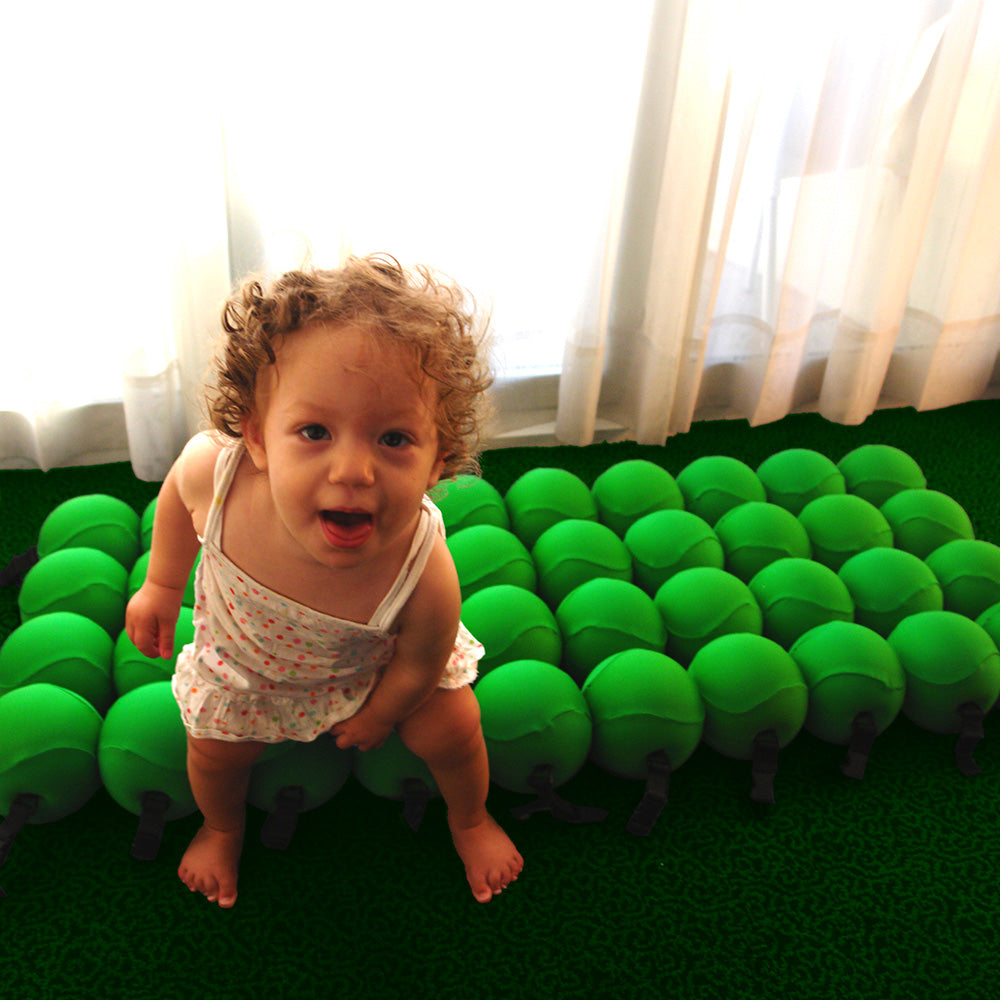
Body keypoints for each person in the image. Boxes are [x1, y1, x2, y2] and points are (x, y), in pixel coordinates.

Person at [125, 254, 523, 908]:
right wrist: (162, 586)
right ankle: (222, 828)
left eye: (394, 439)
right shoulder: (217, 477)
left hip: (376, 671)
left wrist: (383, 714)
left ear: (437, 462)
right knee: (215, 754)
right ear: (257, 438)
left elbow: (421, 661)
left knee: (451, 729)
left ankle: (471, 818)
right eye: (314, 431)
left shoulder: (423, 568)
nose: (352, 470)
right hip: (246, 672)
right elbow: (174, 500)